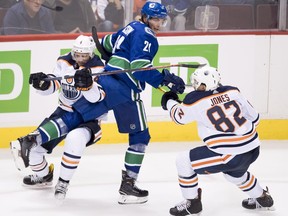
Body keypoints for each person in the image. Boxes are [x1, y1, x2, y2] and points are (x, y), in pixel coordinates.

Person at [11, 1, 186, 204]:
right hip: (127, 92)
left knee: (77, 113)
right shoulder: (147, 35)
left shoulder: (129, 27)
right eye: (156, 19)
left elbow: (106, 44)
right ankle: (128, 185)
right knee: (139, 135)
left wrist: (112, 56)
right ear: (146, 17)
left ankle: (35, 139)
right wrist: (165, 78)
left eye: (161, 19)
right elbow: (139, 68)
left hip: (107, 82)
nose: (159, 23)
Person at [160, 66, 274, 215]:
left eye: (197, 83)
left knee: (183, 161)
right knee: (234, 175)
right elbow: (255, 119)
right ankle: (262, 198)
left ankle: (192, 203)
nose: (195, 86)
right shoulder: (233, 91)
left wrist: (169, 101)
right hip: (253, 148)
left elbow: (178, 117)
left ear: (205, 84)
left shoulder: (194, 100)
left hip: (229, 155)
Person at [10, 35, 106, 200]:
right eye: (78, 55)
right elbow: (55, 84)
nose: (81, 59)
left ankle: (63, 182)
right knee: (34, 150)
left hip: (88, 118)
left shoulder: (99, 67)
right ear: (73, 51)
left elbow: (98, 98)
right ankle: (45, 177)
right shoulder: (64, 62)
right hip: (63, 112)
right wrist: (43, 83)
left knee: (74, 140)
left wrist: (89, 86)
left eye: (84, 56)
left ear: (90, 54)